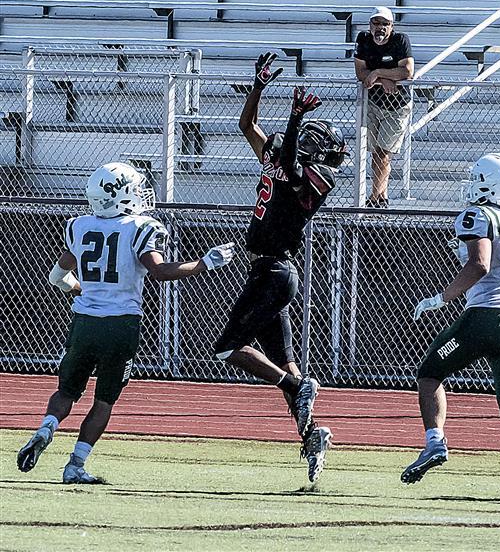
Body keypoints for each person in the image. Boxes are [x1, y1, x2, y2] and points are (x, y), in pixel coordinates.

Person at [17, 162, 234, 484]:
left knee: (66, 390)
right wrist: (204, 263)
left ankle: (46, 428)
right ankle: (75, 465)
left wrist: (81, 287)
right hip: (120, 325)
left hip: (84, 322)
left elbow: (57, 277)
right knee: (103, 400)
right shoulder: (140, 226)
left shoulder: (79, 225)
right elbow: (159, 272)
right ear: (120, 195)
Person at [214, 52, 347, 483]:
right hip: (270, 273)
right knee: (288, 365)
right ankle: (311, 435)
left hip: (274, 272)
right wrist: (258, 86)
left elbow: (290, 167)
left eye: (311, 136)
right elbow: (246, 127)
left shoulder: (318, 178)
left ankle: (295, 389)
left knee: (227, 349)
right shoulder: (284, 156)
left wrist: (292, 118)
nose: (305, 139)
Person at [402, 153, 500, 504]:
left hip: (485, 318)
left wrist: (443, 297)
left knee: (430, 373)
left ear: (489, 182)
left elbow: (479, 264)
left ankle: (434, 443)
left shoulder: (477, 215)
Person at [354, 6, 414, 207]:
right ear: (370, 24)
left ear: (392, 26)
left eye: (385, 24)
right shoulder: (363, 39)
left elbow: (407, 72)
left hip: (397, 106)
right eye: (376, 23)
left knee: (383, 154)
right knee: (376, 154)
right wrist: (384, 77)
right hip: (373, 102)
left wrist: (378, 73)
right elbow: (361, 73)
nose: (380, 28)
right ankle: (382, 197)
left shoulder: (400, 41)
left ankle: (373, 197)